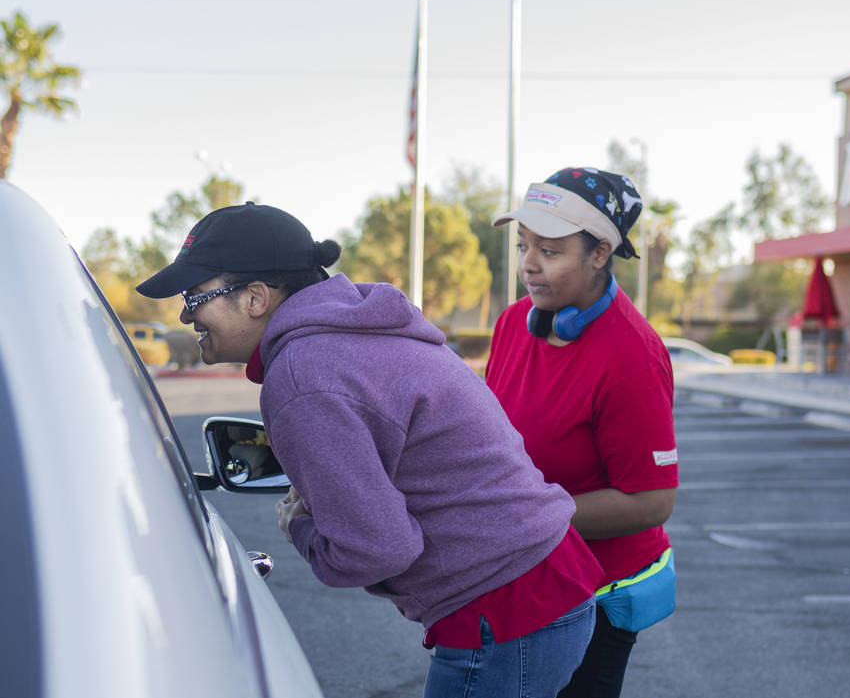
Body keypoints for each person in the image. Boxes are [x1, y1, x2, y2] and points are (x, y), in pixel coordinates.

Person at [135, 201, 605, 698]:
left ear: (255, 298)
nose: (187, 315)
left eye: (195, 296)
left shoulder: (302, 375)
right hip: (550, 580)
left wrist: (301, 526)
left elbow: (377, 548)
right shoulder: (356, 331)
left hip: (506, 612)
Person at [486, 168, 679, 698]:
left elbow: (652, 501)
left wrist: (523, 517)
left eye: (549, 251)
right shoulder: (513, 322)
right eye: (524, 245)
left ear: (599, 254)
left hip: (595, 595)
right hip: (523, 576)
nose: (528, 263)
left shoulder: (632, 355)